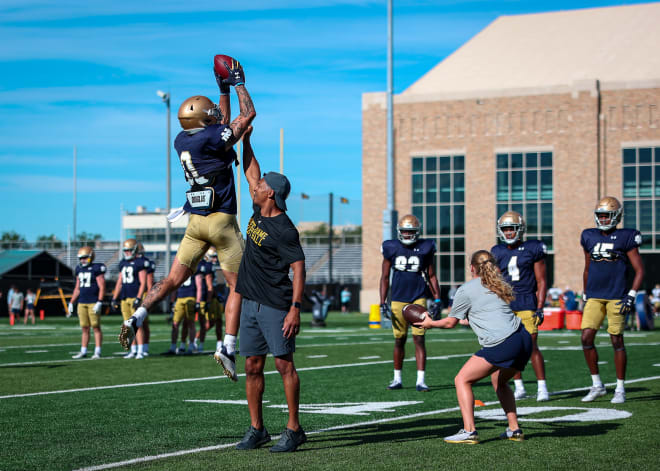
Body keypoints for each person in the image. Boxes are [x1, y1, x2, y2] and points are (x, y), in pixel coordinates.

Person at [119, 57, 256, 383]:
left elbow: (219, 122)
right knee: (239, 286)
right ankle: (228, 346)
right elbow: (245, 115)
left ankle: (138, 314)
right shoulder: (211, 139)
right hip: (220, 221)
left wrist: (219, 89)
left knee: (171, 280)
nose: (213, 116)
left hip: (195, 223)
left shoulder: (182, 140)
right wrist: (236, 82)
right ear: (202, 119)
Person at [234, 126, 307, 452]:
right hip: (250, 303)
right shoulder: (257, 209)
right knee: (252, 366)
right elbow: (250, 169)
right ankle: (257, 429)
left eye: (262, 184)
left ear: (271, 194)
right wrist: (246, 140)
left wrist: (295, 308)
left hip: (277, 305)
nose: (256, 184)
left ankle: (293, 428)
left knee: (284, 365)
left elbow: (299, 267)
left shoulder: (284, 229)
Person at [417, 250, 532, 444]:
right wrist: (470, 320)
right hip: (523, 338)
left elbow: (449, 323)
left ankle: (469, 430)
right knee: (499, 380)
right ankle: (514, 429)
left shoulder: (466, 288)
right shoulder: (498, 284)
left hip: (503, 342)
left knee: (462, 379)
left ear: (472, 268)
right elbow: (491, 313)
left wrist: (430, 324)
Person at [580, 196, 644, 404]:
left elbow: (640, 270)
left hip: (617, 295)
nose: (604, 219)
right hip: (594, 295)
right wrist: (584, 292)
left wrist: (632, 294)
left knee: (616, 340)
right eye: (601, 215)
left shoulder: (626, 237)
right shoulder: (589, 236)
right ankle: (597, 384)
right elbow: (587, 268)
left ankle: (620, 388)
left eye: (607, 215)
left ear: (616, 215)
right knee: (586, 338)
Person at [379, 214, 442, 392]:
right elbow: (384, 277)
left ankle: (420, 380)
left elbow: (431, 275)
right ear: (399, 232)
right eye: (404, 231)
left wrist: (437, 298)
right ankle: (397, 378)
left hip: (418, 297)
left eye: (410, 232)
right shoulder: (391, 247)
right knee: (399, 340)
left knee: (419, 339)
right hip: (398, 298)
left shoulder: (425, 247)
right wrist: (382, 301)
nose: (407, 235)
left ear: (417, 232)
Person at [492, 211, 549, 401]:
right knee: (511, 348)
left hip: (526, 302)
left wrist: (540, 307)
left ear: (521, 229)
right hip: (506, 305)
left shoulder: (533, 248)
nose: (508, 232)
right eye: (505, 229)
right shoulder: (497, 251)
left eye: (512, 228)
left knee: (531, 346)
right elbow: (495, 281)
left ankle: (542, 387)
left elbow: (541, 281)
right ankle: (519, 387)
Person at [112, 238, 148, 359]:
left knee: (137, 325)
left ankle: (140, 350)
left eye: (129, 250)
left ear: (134, 250)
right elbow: (120, 281)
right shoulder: (122, 263)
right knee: (127, 326)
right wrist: (114, 297)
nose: (127, 252)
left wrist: (139, 297)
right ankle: (132, 350)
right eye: (125, 250)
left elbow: (143, 282)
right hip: (125, 297)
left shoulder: (139, 263)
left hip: (134, 297)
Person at [68, 247, 106, 359]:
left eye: (85, 258)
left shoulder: (96, 268)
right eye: (81, 258)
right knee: (84, 328)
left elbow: (102, 286)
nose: (83, 260)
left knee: (95, 327)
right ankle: (83, 351)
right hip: (82, 302)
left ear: (90, 257)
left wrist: (99, 301)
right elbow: (77, 288)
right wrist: (71, 302)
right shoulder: (79, 269)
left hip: (93, 302)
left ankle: (97, 351)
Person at [166, 273, 198, 355]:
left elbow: (199, 285)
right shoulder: (181, 268)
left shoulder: (196, 269)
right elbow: (175, 286)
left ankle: (191, 345)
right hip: (180, 298)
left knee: (190, 323)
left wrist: (198, 301)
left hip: (191, 297)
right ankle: (173, 346)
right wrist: (172, 301)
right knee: (175, 323)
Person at [136, 243, 155, 356]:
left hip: (142, 295)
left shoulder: (146, 262)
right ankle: (136, 348)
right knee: (134, 323)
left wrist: (149, 298)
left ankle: (144, 347)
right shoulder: (128, 262)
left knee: (143, 323)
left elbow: (149, 283)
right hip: (133, 294)